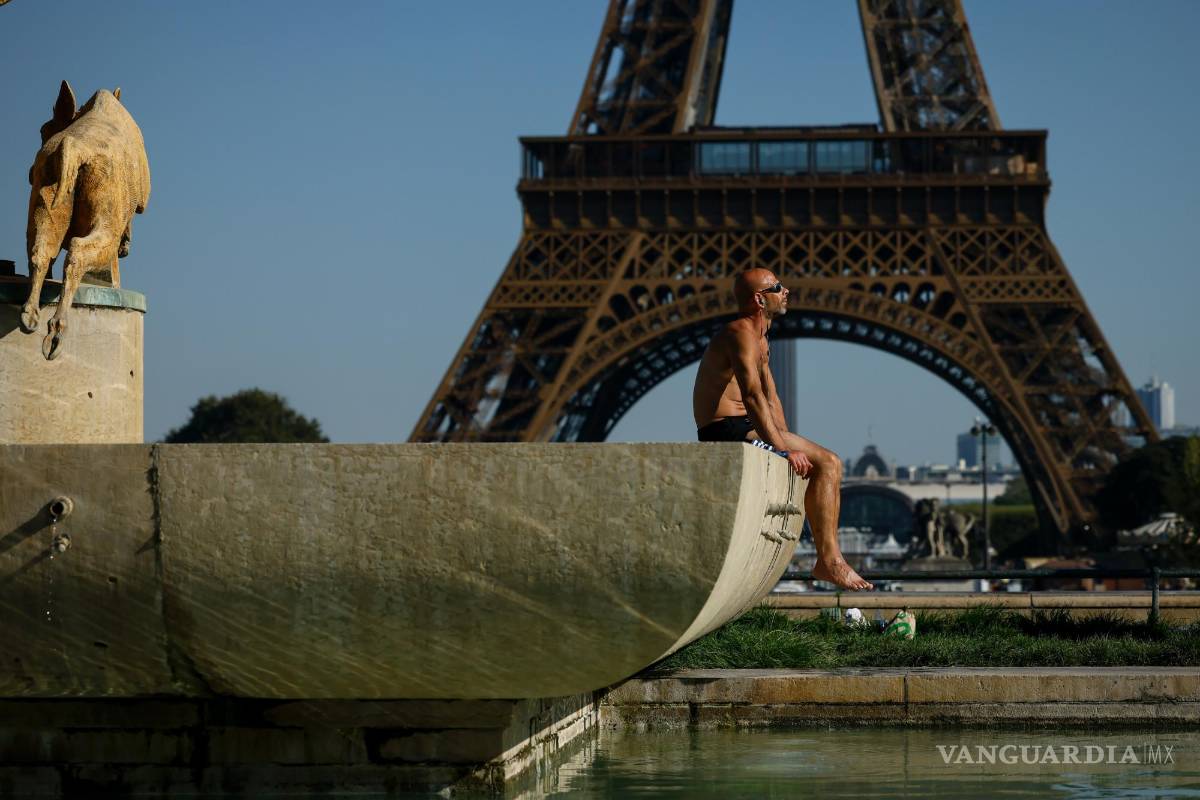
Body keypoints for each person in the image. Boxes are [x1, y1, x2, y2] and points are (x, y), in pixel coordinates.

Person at [692, 268, 873, 591]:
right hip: (726, 429)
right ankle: (829, 561)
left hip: (748, 425)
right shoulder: (740, 333)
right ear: (760, 299)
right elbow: (752, 395)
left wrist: (788, 441)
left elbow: (771, 396)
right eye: (777, 287)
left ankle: (826, 558)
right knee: (829, 463)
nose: (786, 290)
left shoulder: (760, 337)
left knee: (825, 461)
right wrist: (783, 449)